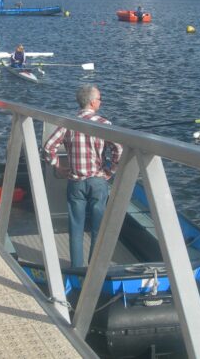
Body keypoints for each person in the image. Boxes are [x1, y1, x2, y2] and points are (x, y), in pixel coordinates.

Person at [43, 84, 122, 268]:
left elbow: (48, 147)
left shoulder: (67, 123)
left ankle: (76, 268)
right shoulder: (104, 124)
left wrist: (57, 165)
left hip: (75, 181)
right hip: (98, 181)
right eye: (100, 99)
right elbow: (118, 148)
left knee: (76, 228)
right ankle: (95, 267)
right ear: (93, 102)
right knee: (98, 229)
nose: (100, 102)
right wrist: (110, 171)